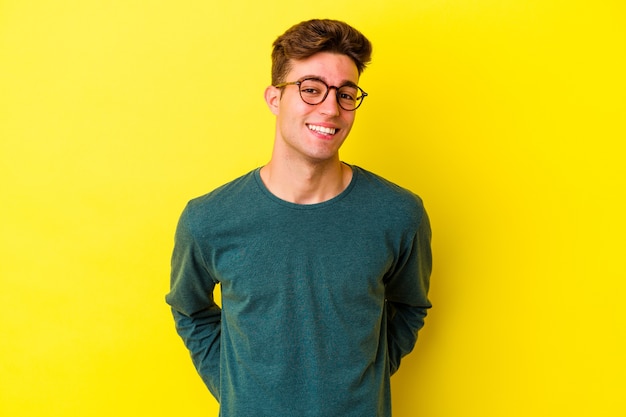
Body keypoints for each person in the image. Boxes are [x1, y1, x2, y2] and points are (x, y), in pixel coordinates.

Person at [166, 19, 432, 417]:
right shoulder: (208, 219)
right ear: (275, 99)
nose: (330, 108)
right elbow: (190, 311)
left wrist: (368, 376)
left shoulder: (398, 214)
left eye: (346, 93)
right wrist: (234, 387)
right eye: (311, 89)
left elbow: (410, 307)